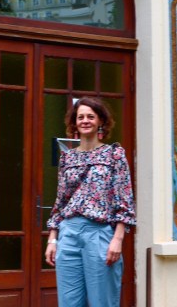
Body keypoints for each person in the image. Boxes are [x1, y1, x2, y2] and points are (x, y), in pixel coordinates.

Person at [45, 97, 136, 307]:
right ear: (74, 123)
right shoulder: (67, 158)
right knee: (69, 302)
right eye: (80, 117)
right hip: (68, 234)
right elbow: (61, 201)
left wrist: (118, 239)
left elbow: (124, 199)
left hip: (99, 233)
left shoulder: (114, 154)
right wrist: (52, 239)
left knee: (101, 301)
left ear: (101, 121)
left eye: (90, 116)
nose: (85, 120)